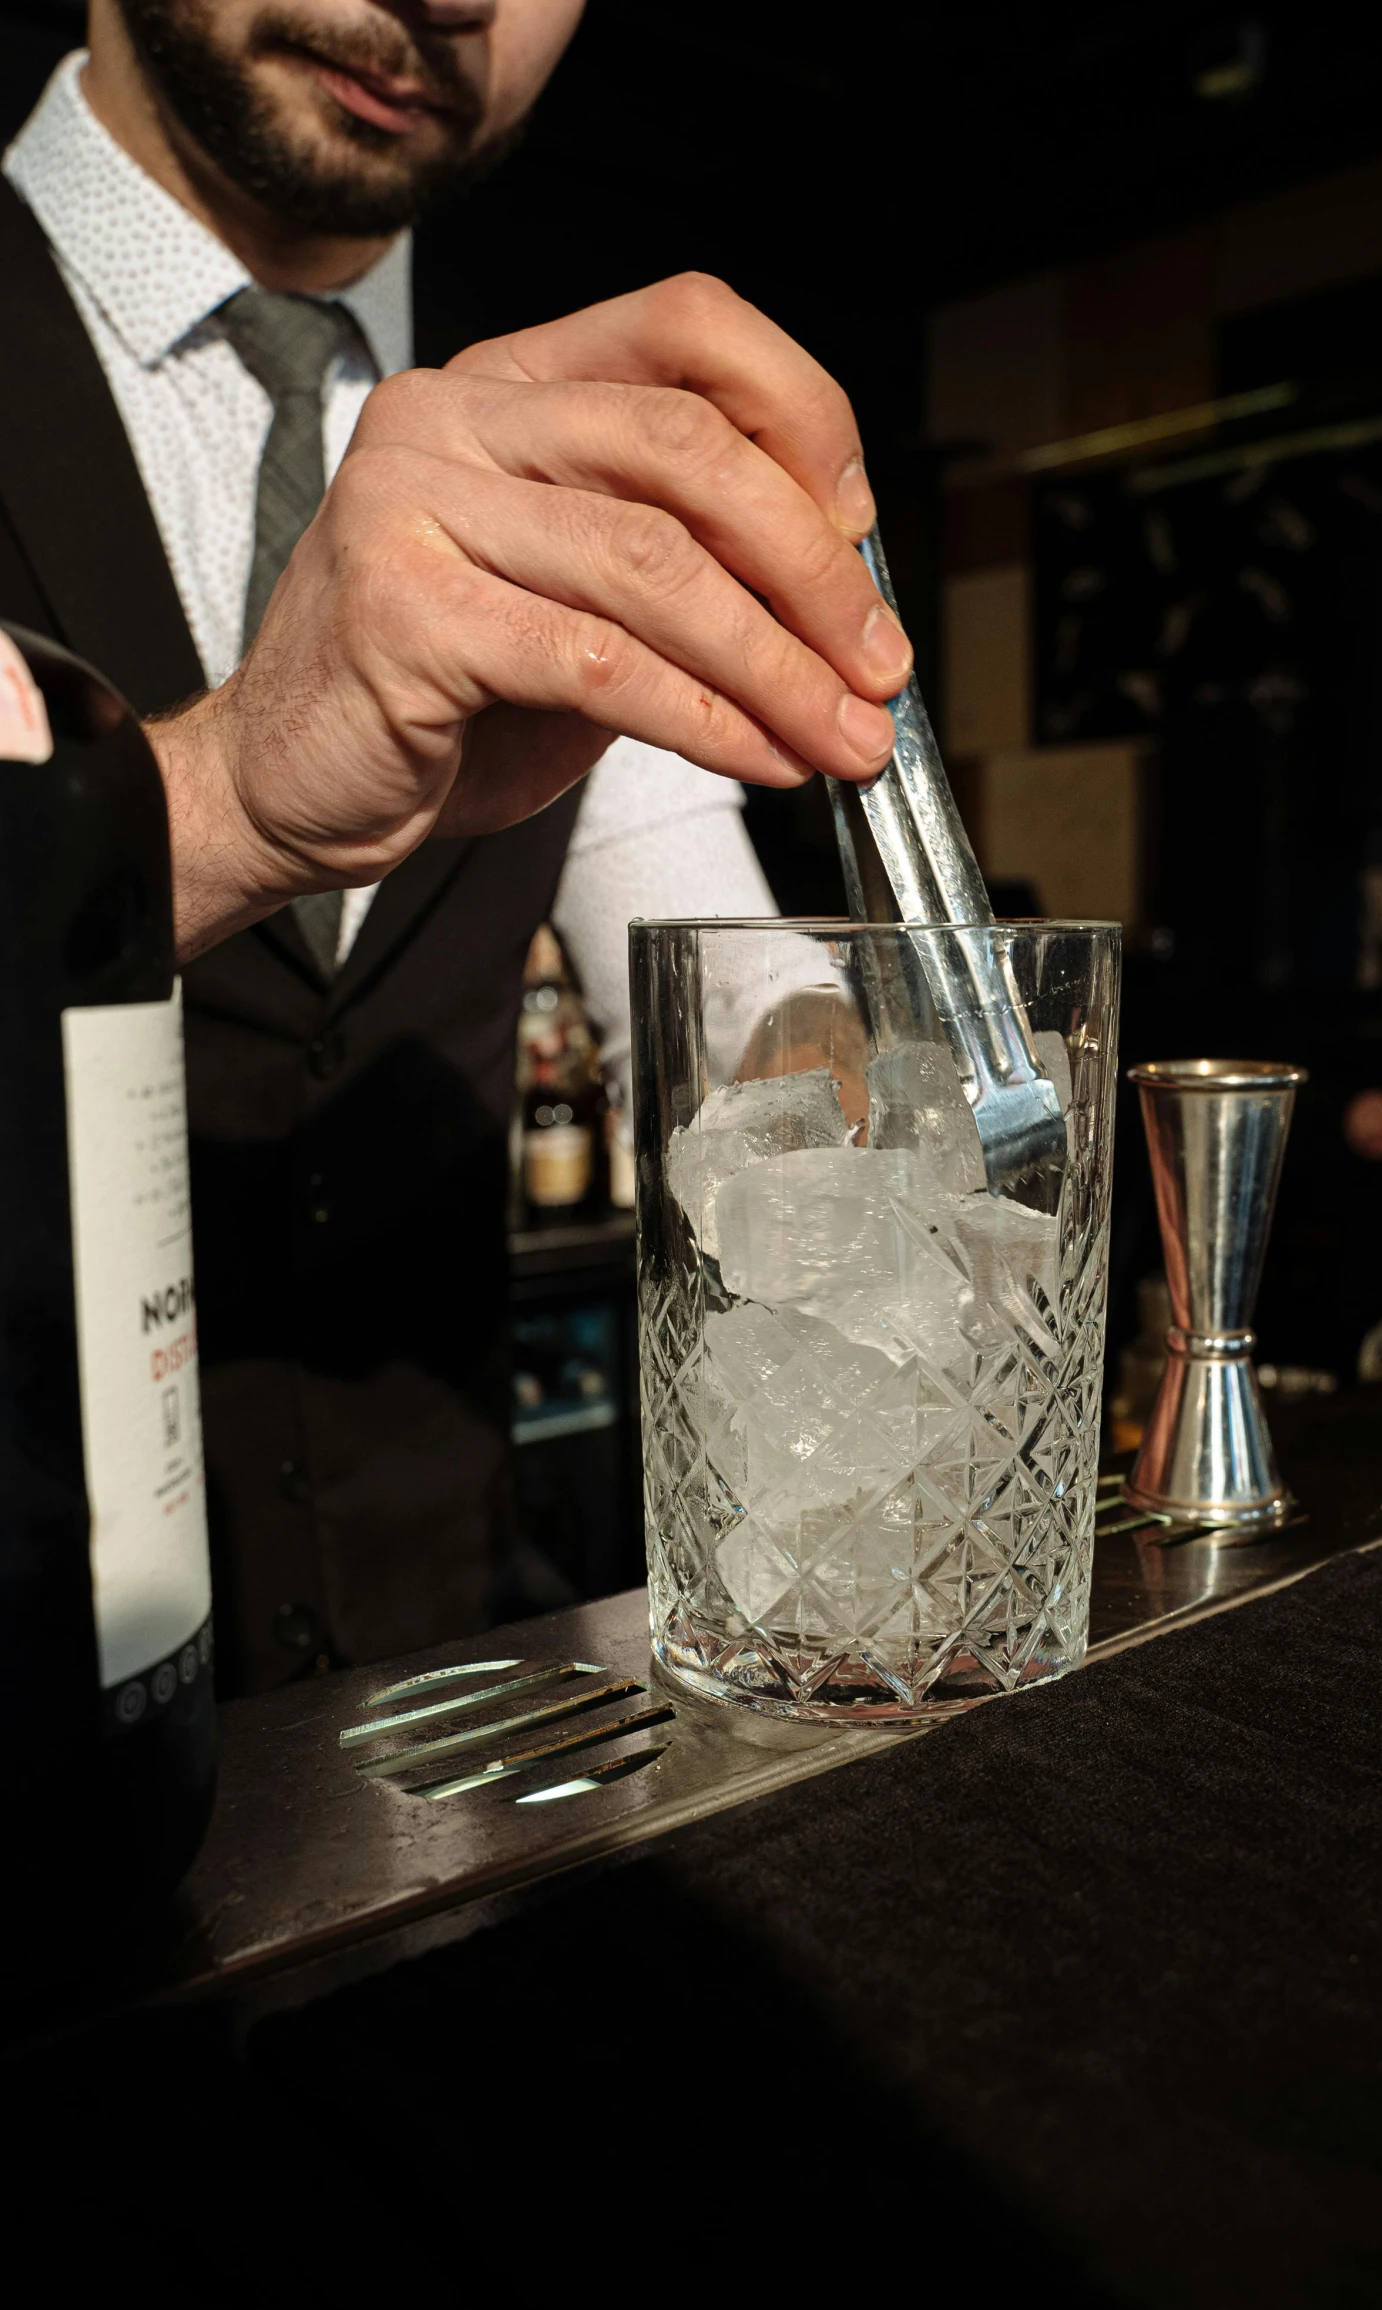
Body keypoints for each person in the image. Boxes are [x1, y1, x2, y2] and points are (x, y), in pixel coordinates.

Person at [0, 0, 911, 1691]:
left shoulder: (548, 434)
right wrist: (223, 797)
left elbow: (728, 989)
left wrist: (868, 1155)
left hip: (450, 1733)